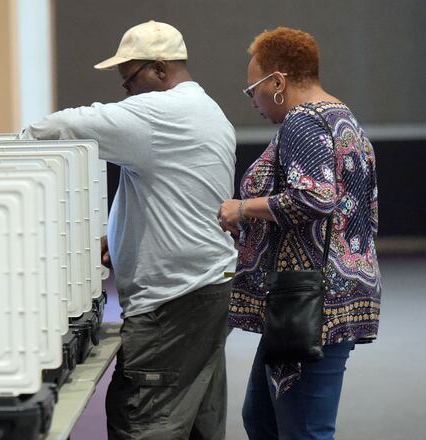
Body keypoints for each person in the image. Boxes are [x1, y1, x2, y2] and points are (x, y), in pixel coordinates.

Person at [21, 21, 237, 440]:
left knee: (143, 421)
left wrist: (9, 147)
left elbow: (68, 125)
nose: (127, 91)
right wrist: (121, 237)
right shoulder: (206, 109)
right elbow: (171, 189)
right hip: (205, 288)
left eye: (130, 79)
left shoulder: (161, 112)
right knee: (195, 421)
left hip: (173, 301)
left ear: (159, 69)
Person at [217, 27, 381, 439]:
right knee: (262, 417)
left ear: (277, 82)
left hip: (309, 306)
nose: (252, 100)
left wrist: (242, 208)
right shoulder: (343, 118)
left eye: (252, 88)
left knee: (303, 431)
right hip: (322, 299)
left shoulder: (302, 122)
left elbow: (314, 198)